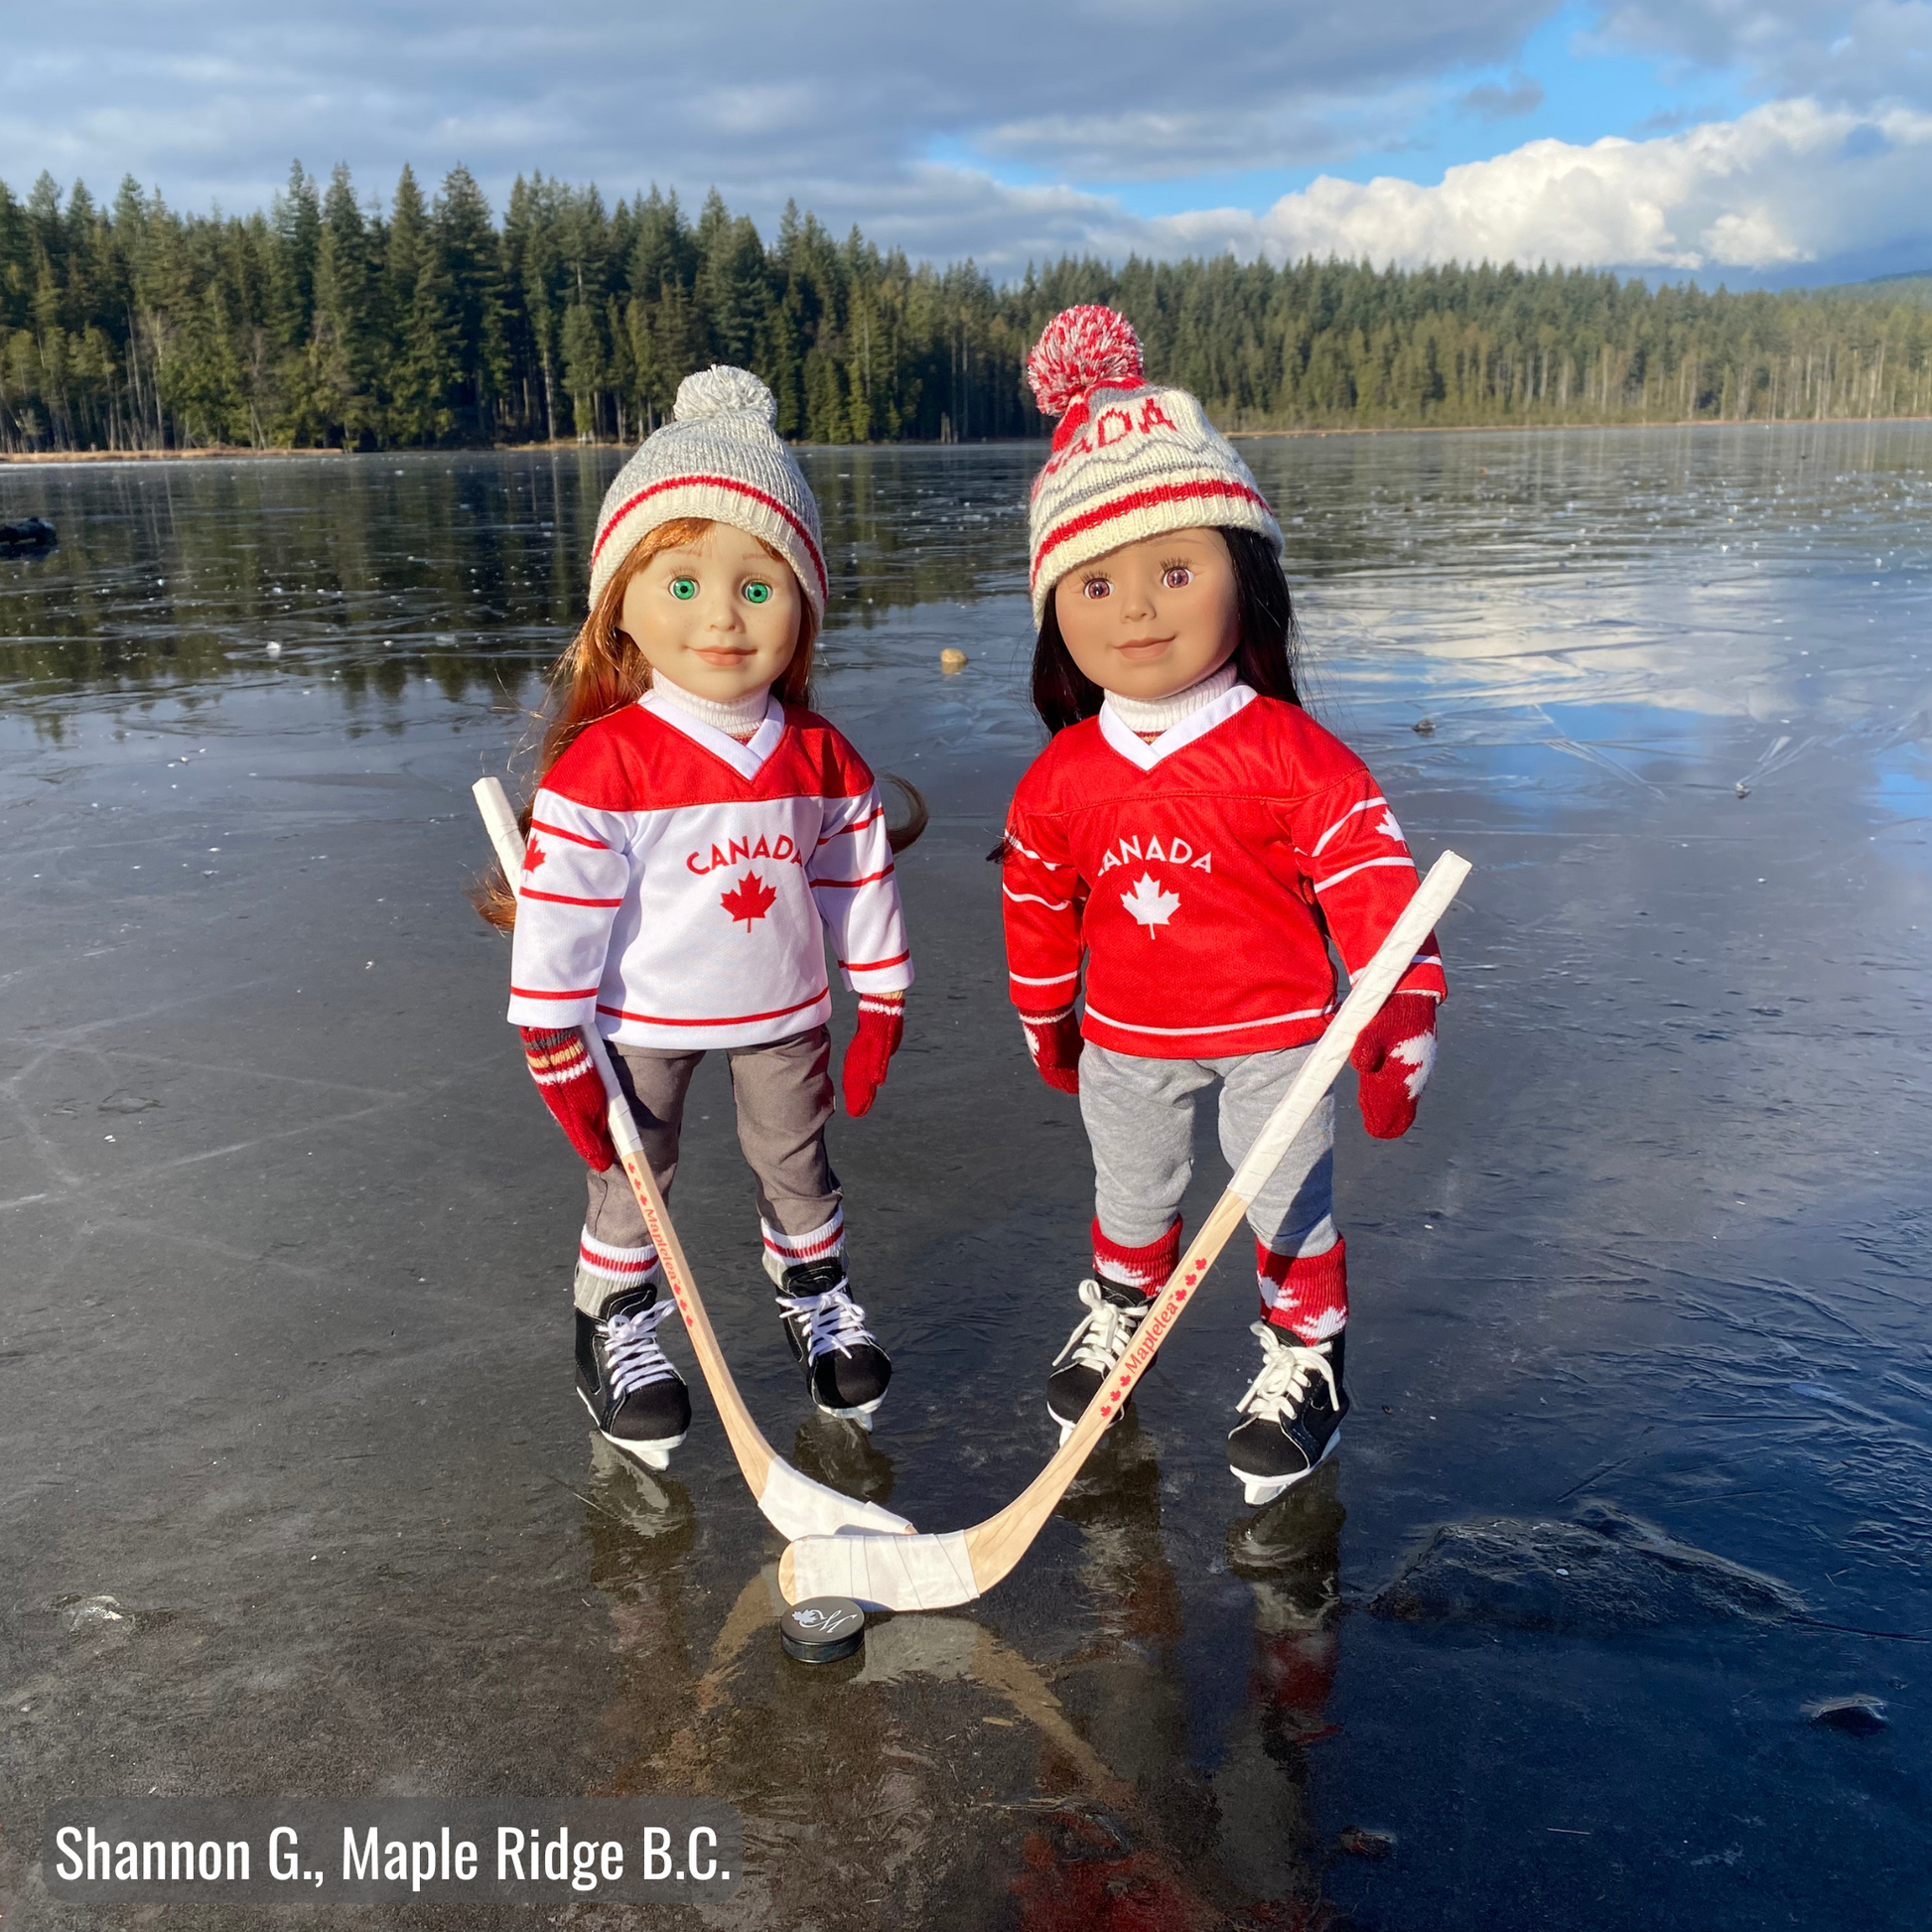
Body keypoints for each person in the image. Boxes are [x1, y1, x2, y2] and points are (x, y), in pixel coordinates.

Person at [999, 307, 1446, 1506]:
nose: (1136, 610)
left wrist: (1399, 1011)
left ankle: (1306, 1353)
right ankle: (1120, 1313)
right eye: (1096, 582)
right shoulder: (1063, 777)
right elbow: (1037, 898)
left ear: (1242, 577)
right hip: (1127, 1036)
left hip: (1277, 1040)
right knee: (1130, 1191)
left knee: (1284, 1197)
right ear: (1055, 609)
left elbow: (1370, 880)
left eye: (1175, 571)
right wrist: (1046, 1015)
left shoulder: (1289, 753)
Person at [479, 366, 919, 1470]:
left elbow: (854, 872)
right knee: (636, 1170)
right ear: (619, 603)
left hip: (783, 1009)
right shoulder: (610, 765)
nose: (720, 614)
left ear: (803, 604)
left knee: (797, 1161)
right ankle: (615, 1322)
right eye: (680, 581)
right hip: (643, 1018)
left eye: (758, 586)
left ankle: (814, 1294)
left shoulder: (815, 755)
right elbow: (564, 916)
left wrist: (880, 994)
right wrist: (554, 1039)